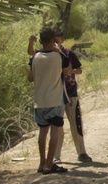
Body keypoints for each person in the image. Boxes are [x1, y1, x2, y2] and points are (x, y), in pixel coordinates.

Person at [28, 29, 91, 164]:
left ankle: (81, 152)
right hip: (56, 97)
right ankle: (55, 156)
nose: (56, 43)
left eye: (58, 40)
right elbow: (33, 55)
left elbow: (77, 70)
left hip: (70, 93)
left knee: (75, 124)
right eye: (54, 41)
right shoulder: (49, 55)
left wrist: (69, 71)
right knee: (57, 128)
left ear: (62, 40)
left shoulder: (67, 54)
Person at [29, 27, 70, 175]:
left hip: (39, 101)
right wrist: (59, 50)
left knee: (42, 132)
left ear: (40, 41)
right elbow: (66, 68)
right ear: (54, 40)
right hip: (55, 100)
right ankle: (49, 164)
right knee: (55, 132)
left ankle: (41, 162)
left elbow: (30, 77)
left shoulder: (35, 57)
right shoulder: (58, 57)